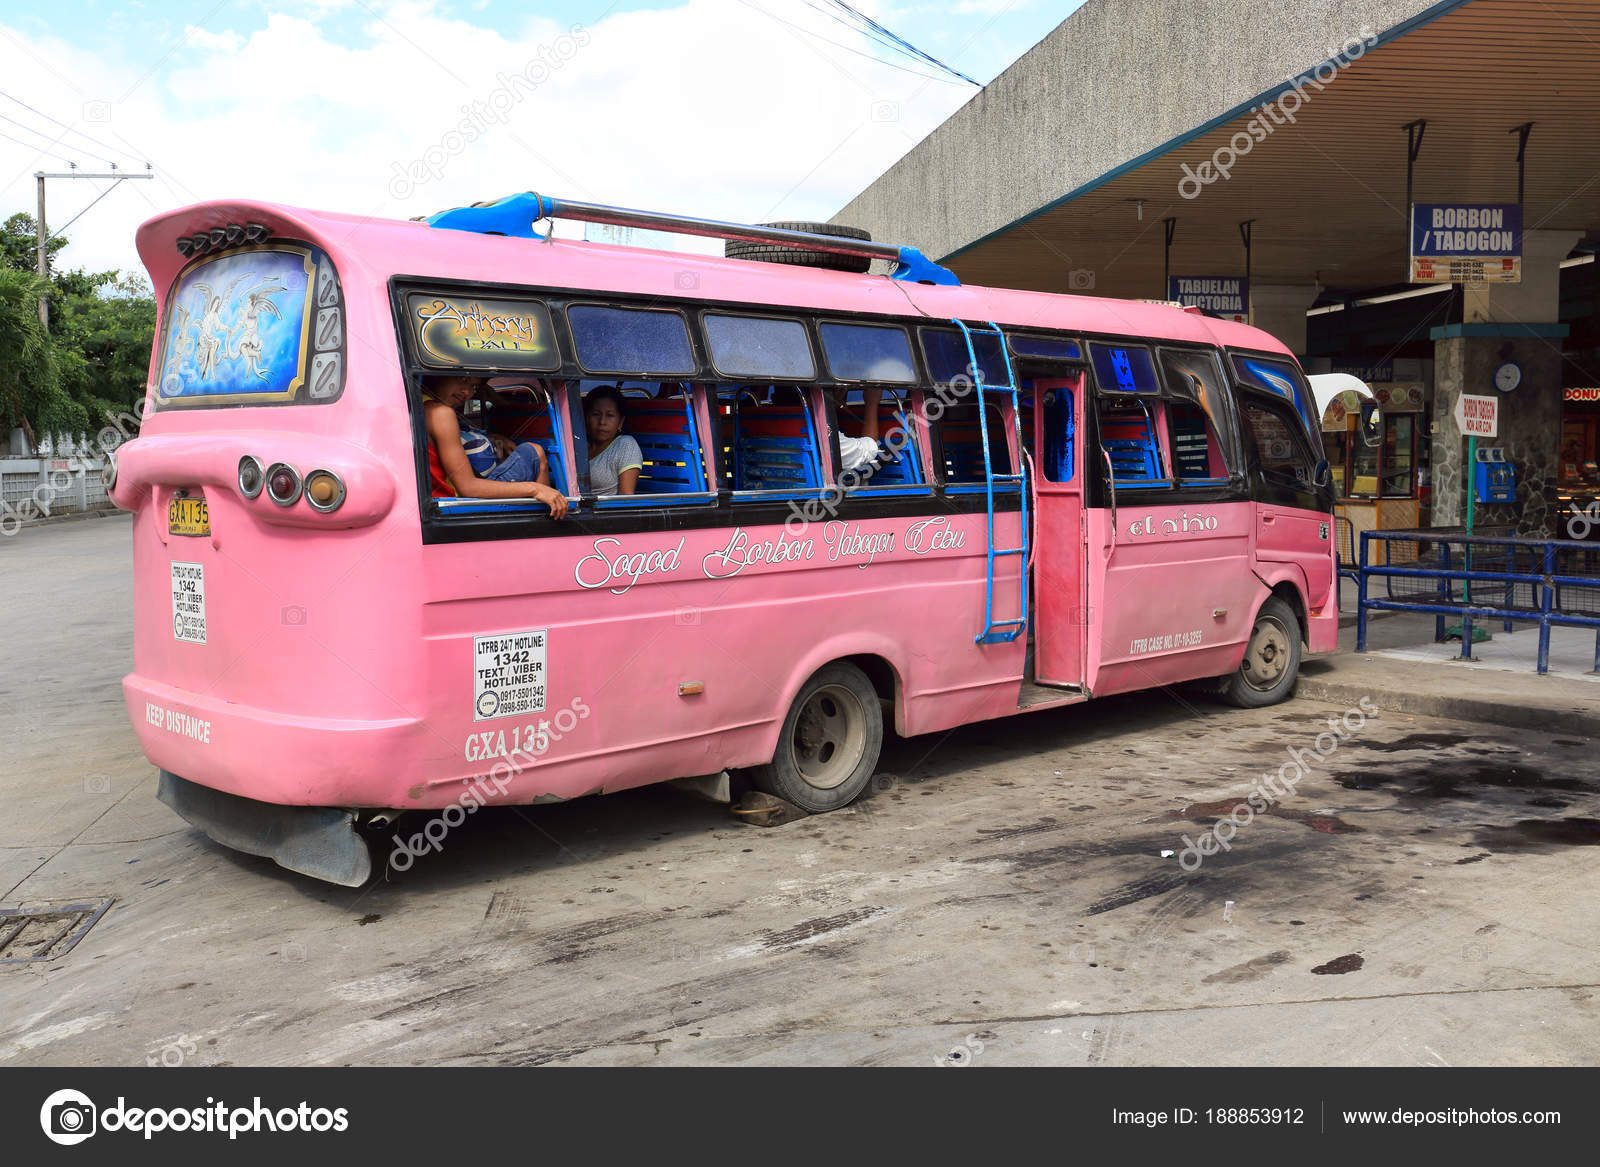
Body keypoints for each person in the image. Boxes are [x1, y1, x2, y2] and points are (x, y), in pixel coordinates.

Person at [422, 375, 568, 517]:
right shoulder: (440, 413)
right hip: (454, 504)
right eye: (463, 379)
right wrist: (536, 489)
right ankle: (545, 519)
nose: (466, 392)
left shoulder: (416, 405)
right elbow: (468, 487)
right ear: (439, 375)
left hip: (434, 504)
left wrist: (491, 438)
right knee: (533, 451)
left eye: (473, 387)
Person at [584, 385, 642, 495]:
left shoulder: (625, 445)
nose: (602, 422)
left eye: (610, 415)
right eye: (596, 414)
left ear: (620, 422)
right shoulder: (576, 445)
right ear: (586, 418)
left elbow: (626, 497)